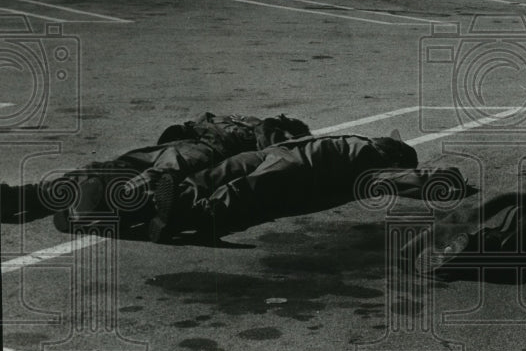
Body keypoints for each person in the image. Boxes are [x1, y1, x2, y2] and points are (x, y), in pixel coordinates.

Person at [0, 112, 310, 232]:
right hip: (191, 141)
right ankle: (23, 198)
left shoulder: (265, 135)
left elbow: (274, 153)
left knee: (160, 170)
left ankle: (105, 207)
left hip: (205, 149)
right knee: (111, 167)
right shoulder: (252, 122)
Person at [147, 131, 421, 243]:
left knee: (241, 184)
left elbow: (399, 180)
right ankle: (175, 205)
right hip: (282, 155)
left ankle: (187, 211)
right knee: (226, 176)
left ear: (392, 155)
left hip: (295, 163)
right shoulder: (363, 148)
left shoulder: (370, 159)